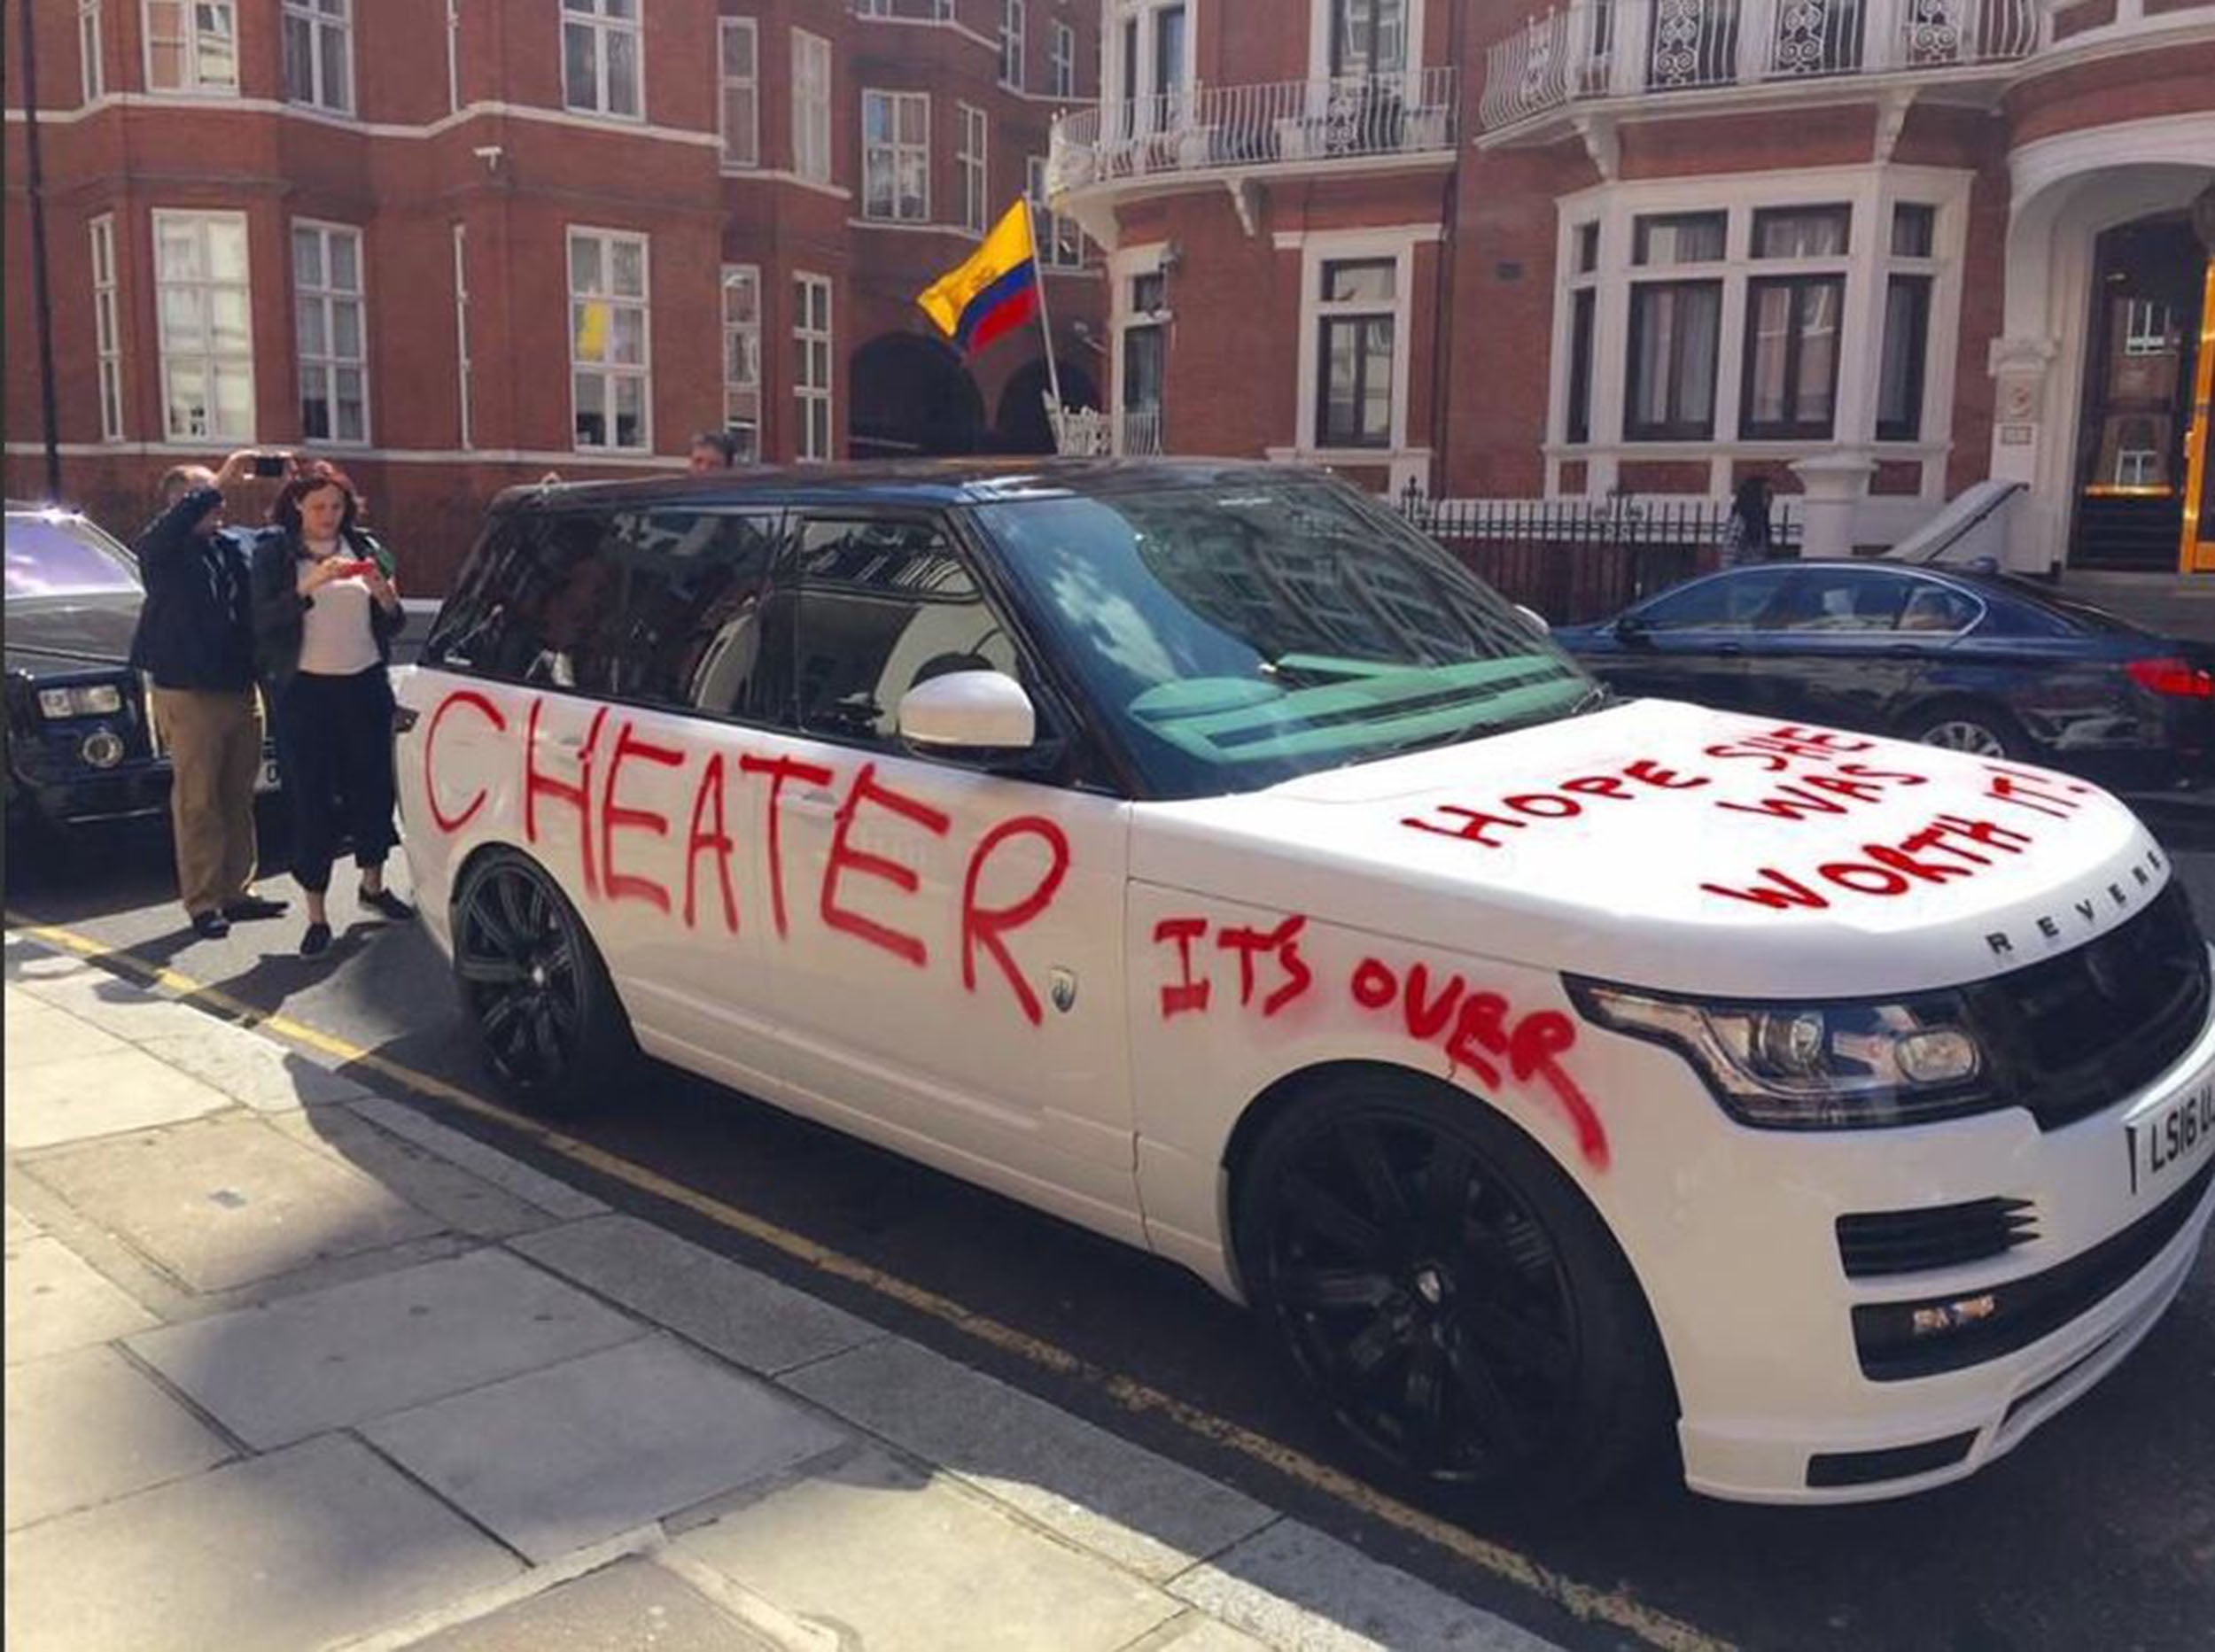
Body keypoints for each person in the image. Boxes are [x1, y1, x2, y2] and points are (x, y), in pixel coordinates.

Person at [249, 461, 412, 957]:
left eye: (337, 507)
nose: (328, 516)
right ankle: (316, 913)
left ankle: (373, 885)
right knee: (313, 800)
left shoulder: (365, 547)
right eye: (318, 506)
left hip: (363, 684)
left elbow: (395, 622)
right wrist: (307, 586)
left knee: (373, 789)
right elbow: (262, 622)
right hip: (307, 693)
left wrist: (384, 596)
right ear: (298, 504)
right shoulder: (274, 554)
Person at [128, 452, 291, 939]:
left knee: (238, 795)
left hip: (239, 686)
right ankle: (203, 901)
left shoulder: (233, 543)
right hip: (189, 691)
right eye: (203, 498)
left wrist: (293, 488)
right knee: (198, 800)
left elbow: (285, 542)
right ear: (178, 503)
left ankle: (237, 891)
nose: (218, 505)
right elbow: (167, 530)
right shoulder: (162, 550)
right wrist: (224, 474)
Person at [1720, 476, 1775, 568]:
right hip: (1741, 577)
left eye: (1771, 495)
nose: (1771, 499)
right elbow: (1728, 557)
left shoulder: (1762, 523)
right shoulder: (1739, 521)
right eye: (1767, 494)